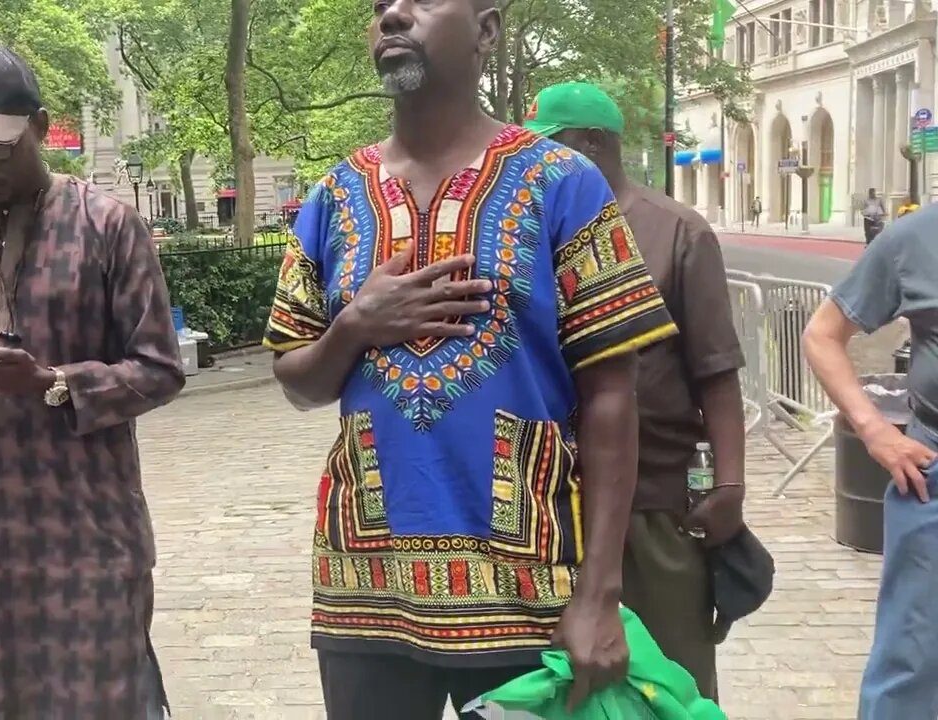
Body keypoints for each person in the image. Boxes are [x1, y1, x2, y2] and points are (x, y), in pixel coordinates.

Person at [262, 3, 678, 717]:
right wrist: (356, 325)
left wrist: (601, 593)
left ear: (487, 32)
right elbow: (297, 378)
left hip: (529, 589)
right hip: (366, 592)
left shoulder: (564, 182)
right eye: (378, 6)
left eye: (420, 0)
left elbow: (612, 394)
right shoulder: (333, 195)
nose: (392, 14)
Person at [0, 42, 184, 719]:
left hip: (83, 534)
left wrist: (52, 382)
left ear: (42, 128)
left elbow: (160, 368)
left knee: (102, 701)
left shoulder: (109, 227)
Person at [523, 81, 748, 700]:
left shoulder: (678, 232)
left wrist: (729, 486)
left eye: (553, 146)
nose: (539, 163)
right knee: (563, 693)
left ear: (594, 143)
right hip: (544, 511)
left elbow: (717, 371)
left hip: (653, 506)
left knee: (672, 686)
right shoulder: (533, 231)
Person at [803, 204, 938, 719]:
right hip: (931, 485)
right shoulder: (915, 238)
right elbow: (822, 334)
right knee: (911, 664)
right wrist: (874, 428)